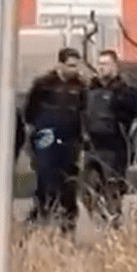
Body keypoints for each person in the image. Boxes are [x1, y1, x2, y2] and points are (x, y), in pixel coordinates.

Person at [24, 47, 87, 228]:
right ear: (60, 64)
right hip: (46, 139)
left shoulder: (81, 86)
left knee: (68, 183)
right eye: (70, 65)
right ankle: (42, 218)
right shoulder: (44, 84)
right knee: (46, 179)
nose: (74, 69)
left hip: (69, 142)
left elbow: (85, 113)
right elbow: (30, 113)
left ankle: (68, 225)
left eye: (76, 66)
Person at [83, 49, 137, 218]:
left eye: (106, 64)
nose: (102, 68)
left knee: (112, 189)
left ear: (115, 66)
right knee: (89, 188)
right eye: (100, 64)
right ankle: (97, 218)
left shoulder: (125, 91)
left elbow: (135, 117)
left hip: (114, 147)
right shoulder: (89, 89)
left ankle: (113, 223)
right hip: (91, 146)